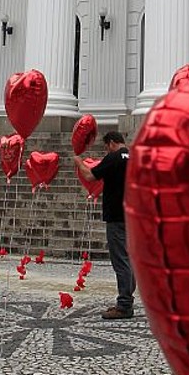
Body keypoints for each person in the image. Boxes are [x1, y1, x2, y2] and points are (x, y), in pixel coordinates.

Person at [73, 130, 136, 320]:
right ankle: (127, 299)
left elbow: (90, 176)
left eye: (106, 146)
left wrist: (78, 161)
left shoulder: (114, 157)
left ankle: (124, 305)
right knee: (129, 258)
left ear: (110, 143)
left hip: (117, 216)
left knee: (120, 260)